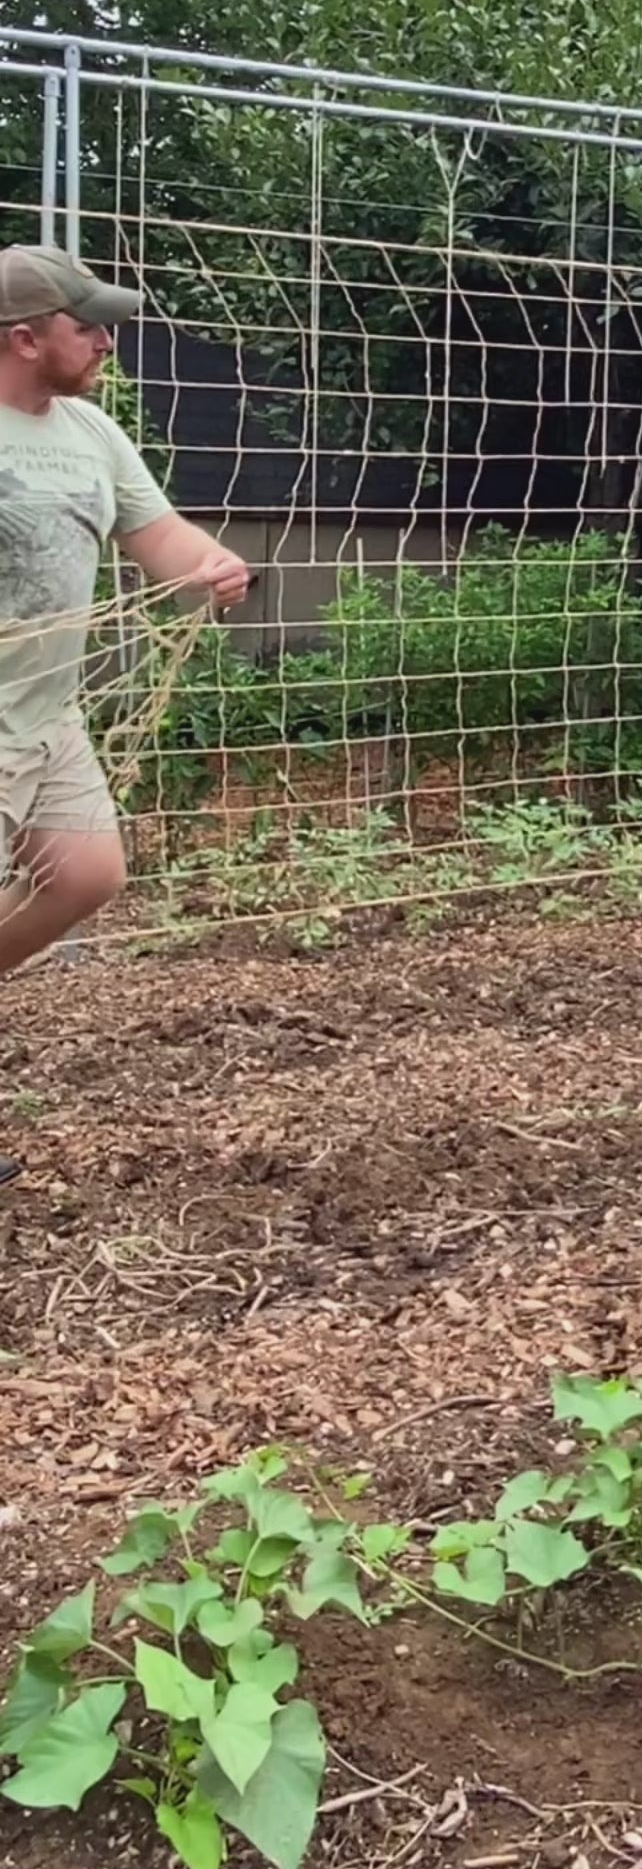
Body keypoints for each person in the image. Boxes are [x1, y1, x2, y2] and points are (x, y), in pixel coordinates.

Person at [0, 244, 249, 1184]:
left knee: (89, 872)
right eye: (87, 325)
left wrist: (208, 566)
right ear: (25, 338)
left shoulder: (92, 432)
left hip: (45, 713)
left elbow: (157, 536)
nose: (108, 339)